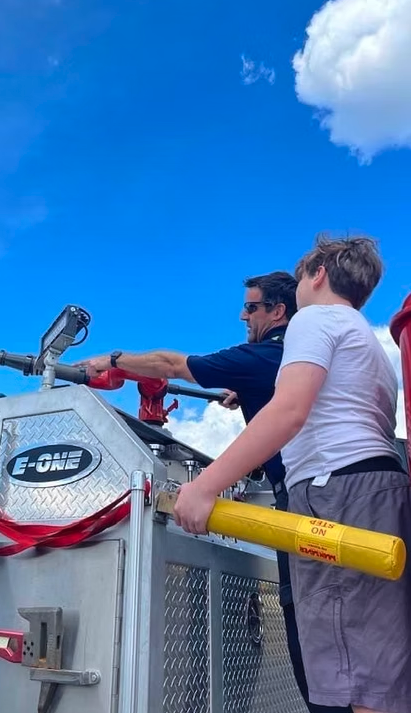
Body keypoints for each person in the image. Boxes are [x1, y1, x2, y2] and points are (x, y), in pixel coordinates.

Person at [77, 271, 351, 713]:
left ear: (278, 312)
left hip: (306, 503)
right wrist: (243, 391)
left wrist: (110, 361)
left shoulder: (267, 355)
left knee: (314, 645)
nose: (243, 315)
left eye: (251, 307)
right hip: (317, 500)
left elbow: (170, 365)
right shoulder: (290, 362)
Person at [172, 235, 411, 713]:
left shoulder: (314, 319)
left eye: (302, 277)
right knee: (376, 671)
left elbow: (290, 411)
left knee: (352, 680)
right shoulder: (367, 337)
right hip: (377, 487)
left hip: (335, 493)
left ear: (317, 274)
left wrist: (204, 486)